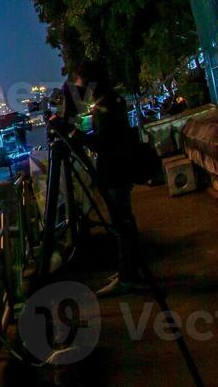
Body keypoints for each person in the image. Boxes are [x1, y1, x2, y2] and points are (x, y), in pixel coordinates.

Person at [72, 62, 146, 296]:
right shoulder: (112, 101)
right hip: (120, 170)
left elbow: (105, 144)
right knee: (124, 222)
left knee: (121, 224)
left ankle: (128, 278)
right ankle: (128, 270)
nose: (77, 86)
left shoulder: (105, 107)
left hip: (115, 172)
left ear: (90, 82)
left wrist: (79, 137)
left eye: (79, 81)